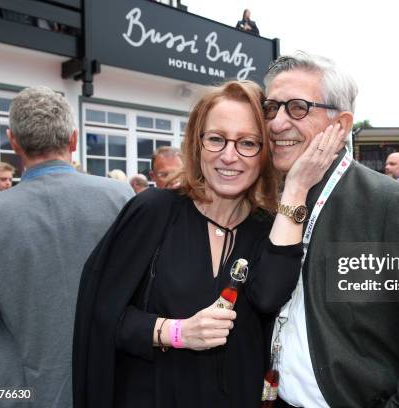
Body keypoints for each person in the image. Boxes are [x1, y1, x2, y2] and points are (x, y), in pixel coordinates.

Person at [72, 80, 343, 408]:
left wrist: (297, 187)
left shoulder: (269, 229)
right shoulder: (153, 211)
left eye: (248, 143)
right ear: (197, 143)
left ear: (265, 153)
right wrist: (176, 332)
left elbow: (270, 296)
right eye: (216, 139)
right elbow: (101, 316)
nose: (229, 156)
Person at [263, 51, 399, 408]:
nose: (276, 123)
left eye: (297, 108)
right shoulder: (268, 199)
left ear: (342, 124)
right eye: (271, 108)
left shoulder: (385, 204)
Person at [0, 86, 133, 407]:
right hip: (108, 381)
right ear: (74, 139)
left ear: (13, 142)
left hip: (17, 392)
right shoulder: (122, 199)